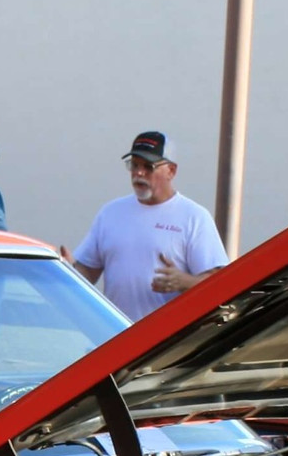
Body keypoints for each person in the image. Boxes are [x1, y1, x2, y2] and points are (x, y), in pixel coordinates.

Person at [68, 130, 229, 321]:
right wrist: (66, 270)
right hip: (116, 334)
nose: (138, 173)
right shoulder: (111, 213)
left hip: (168, 339)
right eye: (134, 165)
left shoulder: (193, 217)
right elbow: (88, 270)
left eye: (148, 166)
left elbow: (221, 284)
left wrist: (185, 282)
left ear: (171, 171)